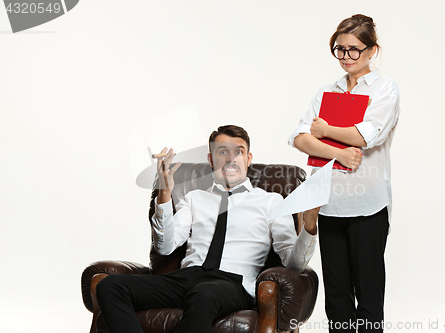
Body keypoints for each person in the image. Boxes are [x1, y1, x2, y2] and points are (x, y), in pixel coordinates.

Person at [96, 125, 319, 333]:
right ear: (211, 159)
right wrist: (165, 194)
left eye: (238, 152)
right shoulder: (193, 198)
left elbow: (293, 263)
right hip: (186, 278)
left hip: (232, 283)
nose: (231, 158)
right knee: (110, 286)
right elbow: (164, 248)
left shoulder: (271, 202)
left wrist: (309, 225)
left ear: (248, 159)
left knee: (205, 292)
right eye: (223, 152)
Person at [288, 14, 401, 332]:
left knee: (368, 296)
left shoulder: (384, 90)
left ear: (371, 50)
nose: (346, 57)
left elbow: (367, 136)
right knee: (336, 297)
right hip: (329, 204)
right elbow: (299, 138)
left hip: (368, 205)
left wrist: (325, 130)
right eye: (340, 49)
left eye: (354, 49)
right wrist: (338, 148)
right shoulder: (325, 92)